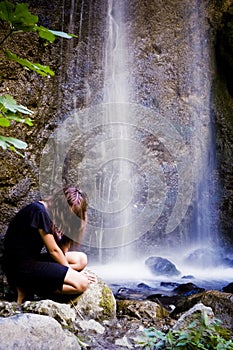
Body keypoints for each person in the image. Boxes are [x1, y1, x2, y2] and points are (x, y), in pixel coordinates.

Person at [2, 186, 95, 304]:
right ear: (61, 204)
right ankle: (33, 288)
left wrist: (71, 228)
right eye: (67, 213)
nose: (68, 217)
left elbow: (62, 250)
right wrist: (73, 274)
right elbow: (54, 251)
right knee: (81, 284)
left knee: (81, 259)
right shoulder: (39, 211)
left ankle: (36, 283)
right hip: (20, 266)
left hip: (33, 260)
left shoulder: (52, 214)